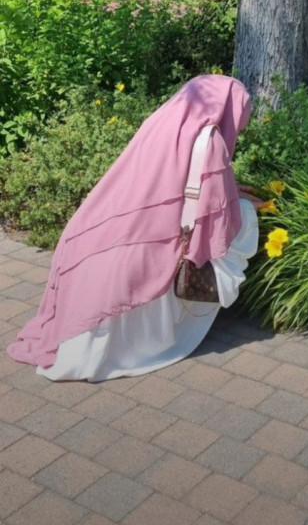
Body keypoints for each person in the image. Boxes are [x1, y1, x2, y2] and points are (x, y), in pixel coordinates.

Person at [7, 75, 262, 381]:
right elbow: (212, 213)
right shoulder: (210, 140)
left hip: (110, 225)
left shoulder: (163, 122)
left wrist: (228, 190)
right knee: (246, 216)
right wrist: (239, 202)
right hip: (158, 239)